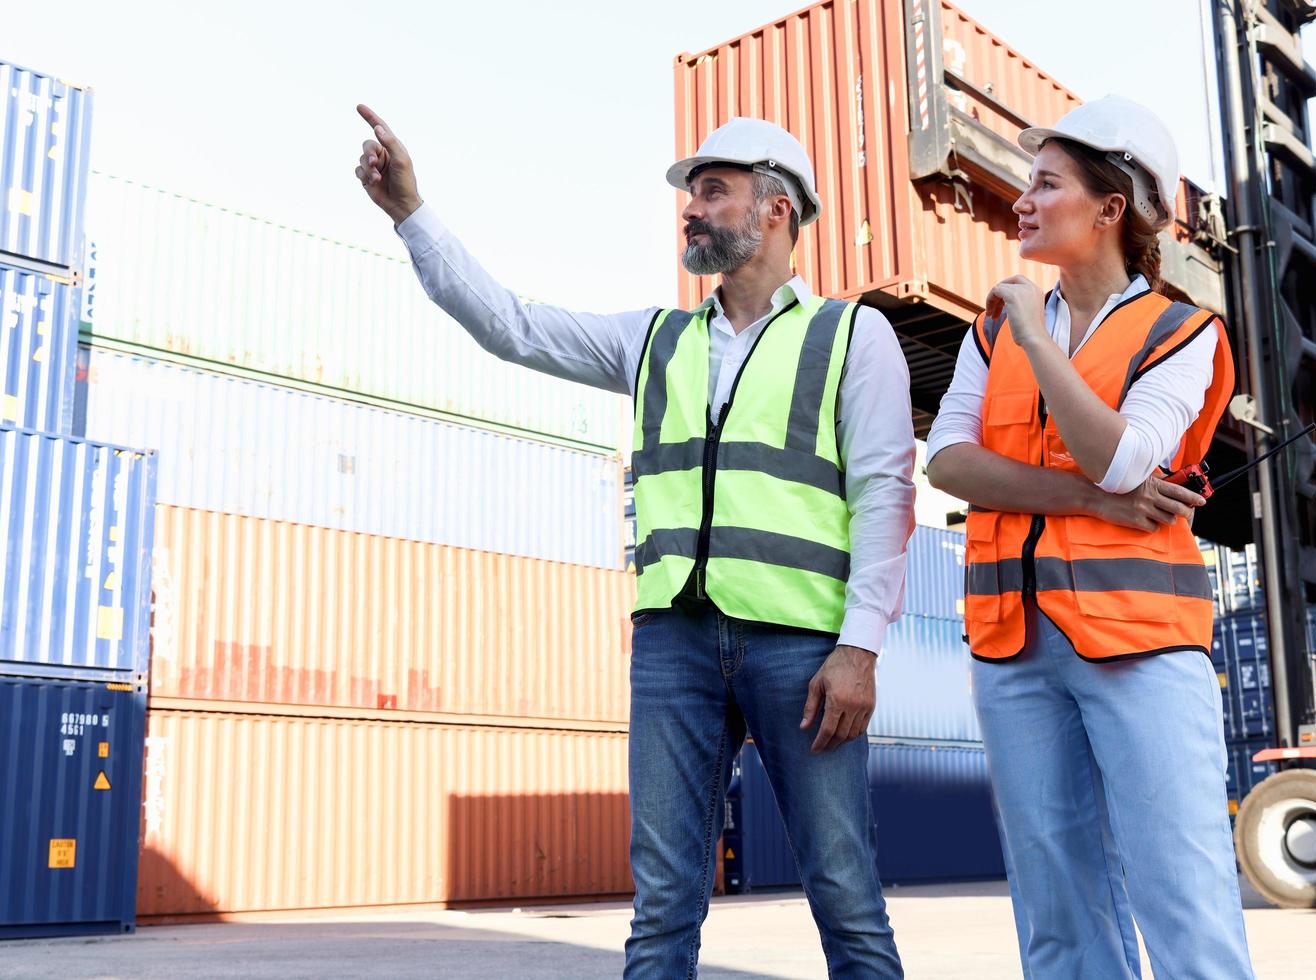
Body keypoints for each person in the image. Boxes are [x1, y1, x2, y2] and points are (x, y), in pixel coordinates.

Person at [353, 106, 912, 979]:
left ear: (777, 210)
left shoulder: (850, 336)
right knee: (661, 909)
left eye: (713, 190)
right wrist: (410, 215)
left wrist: (860, 648)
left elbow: (885, 494)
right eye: (690, 193)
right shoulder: (653, 339)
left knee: (845, 895)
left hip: (803, 654)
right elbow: (512, 326)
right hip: (673, 645)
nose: (691, 208)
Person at [926, 95, 1257, 979]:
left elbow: (1124, 461)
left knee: (1182, 901)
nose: (1021, 201)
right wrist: (1088, 500)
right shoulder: (990, 329)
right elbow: (948, 462)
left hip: (1141, 648)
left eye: (1044, 183)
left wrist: (1039, 341)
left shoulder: (1181, 332)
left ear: (1112, 208)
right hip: (1015, 650)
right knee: (1059, 913)